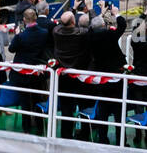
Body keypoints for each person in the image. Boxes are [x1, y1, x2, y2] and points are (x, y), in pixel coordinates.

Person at [87, 9, 128, 143]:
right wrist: (116, 14)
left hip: (102, 78)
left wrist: (97, 14)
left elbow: (91, 28)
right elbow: (122, 26)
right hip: (116, 77)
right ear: (104, 25)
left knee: (103, 109)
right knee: (119, 111)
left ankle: (103, 138)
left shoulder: (90, 37)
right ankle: (121, 139)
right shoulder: (109, 34)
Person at [7, 9, 50, 135]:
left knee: (25, 101)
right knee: (37, 99)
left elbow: (11, 49)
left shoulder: (21, 36)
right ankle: (40, 127)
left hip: (23, 74)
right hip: (37, 72)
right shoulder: (44, 33)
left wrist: (16, 35)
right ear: (36, 18)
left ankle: (26, 128)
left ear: (24, 20)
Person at [51, 10, 90, 140]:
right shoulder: (81, 33)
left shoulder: (56, 32)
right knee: (84, 105)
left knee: (66, 108)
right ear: (74, 21)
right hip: (79, 75)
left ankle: (66, 135)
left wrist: (72, 10)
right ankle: (84, 134)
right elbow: (89, 29)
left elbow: (59, 24)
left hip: (63, 76)